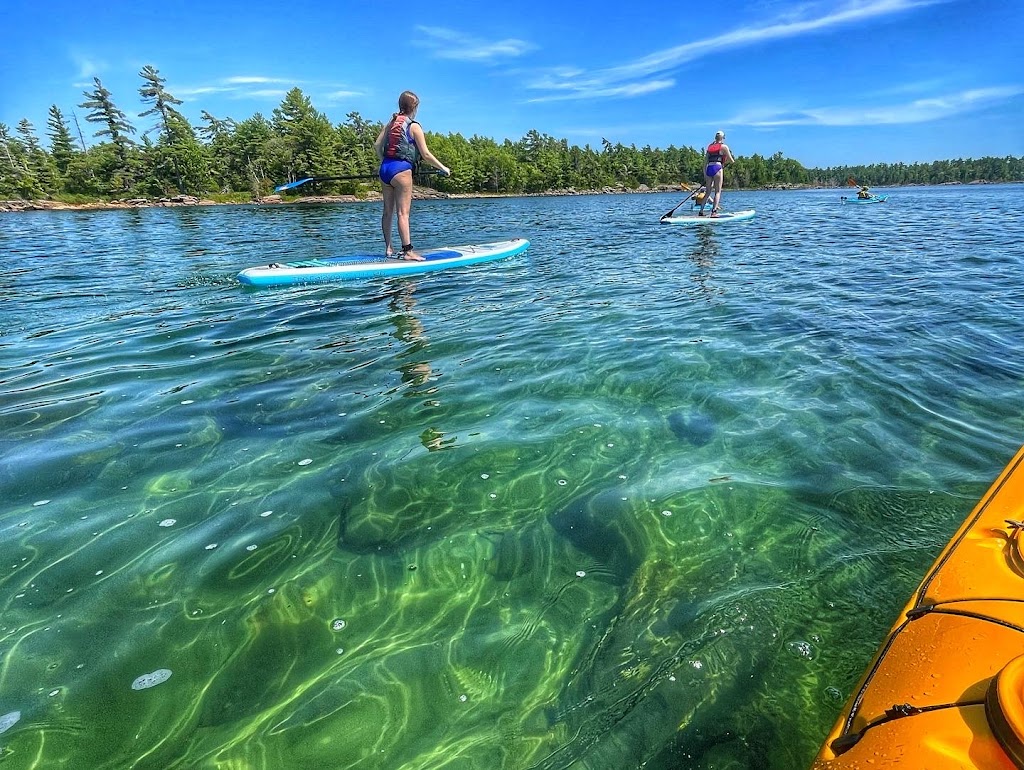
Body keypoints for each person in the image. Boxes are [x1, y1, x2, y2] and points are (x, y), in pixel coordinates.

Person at [374, 91, 450, 260]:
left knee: (387, 212)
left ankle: (388, 248)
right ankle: (408, 251)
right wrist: (444, 167)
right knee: (403, 213)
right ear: (414, 107)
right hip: (401, 171)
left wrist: (383, 161)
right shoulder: (414, 126)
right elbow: (426, 154)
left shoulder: (391, 122)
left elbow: (377, 145)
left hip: (385, 169)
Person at [701, 131, 734, 216]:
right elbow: (731, 160)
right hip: (717, 168)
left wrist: (705, 174)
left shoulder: (709, 147)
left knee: (708, 192)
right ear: (723, 138)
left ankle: (701, 211)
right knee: (718, 192)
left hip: (709, 169)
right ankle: (714, 212)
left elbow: (705, 163)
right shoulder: (724, 147)